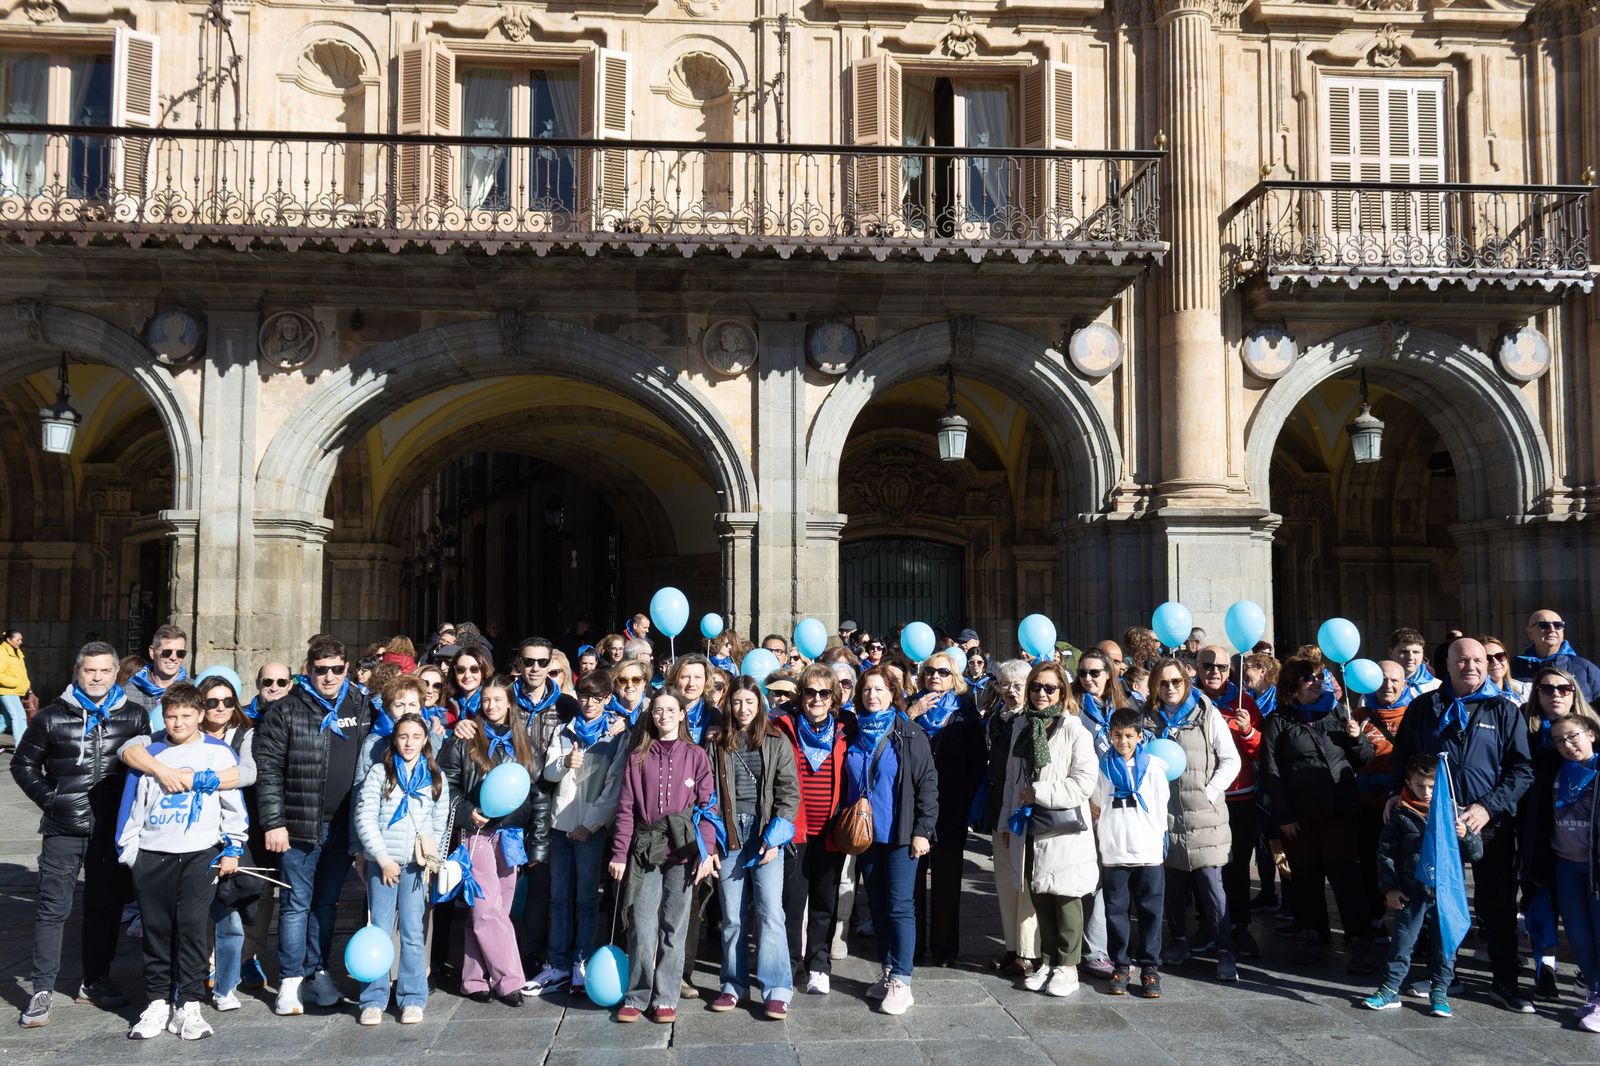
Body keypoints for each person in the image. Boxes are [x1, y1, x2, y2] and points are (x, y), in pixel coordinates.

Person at [1390, 637, 1534, 1012]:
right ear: (1448, 665)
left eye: (1478, 660)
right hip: (1434, 824)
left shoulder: (1504, 710)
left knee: (1498, 904)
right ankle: (1444, 977)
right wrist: (1397, 792)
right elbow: (1402, 757)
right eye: (1463, 660)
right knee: (1438, 902)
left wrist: (1488, 807)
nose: (1471, 666)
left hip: (1489, 823)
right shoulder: (1424, 708)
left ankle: (1505, 981)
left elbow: (1522, 770)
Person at [13, 640, 149, 1027]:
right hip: (63, 827)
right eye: (90, 670)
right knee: (53, 908)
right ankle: (41, 989)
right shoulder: (51, 717)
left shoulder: (135, 717)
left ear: (115, 673)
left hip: (110, 829)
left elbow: (143, 767)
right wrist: (52, 800)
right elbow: (23, 765)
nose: (97, 677)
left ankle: (95, 981)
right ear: (78, 672)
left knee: (104, 909)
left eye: (105, 670)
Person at [115, 682, 247, 1041]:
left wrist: (232, 847)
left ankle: (189, 1002)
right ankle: (157, 1000)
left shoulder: (218, 753)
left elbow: (232, 804)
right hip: (153, 853)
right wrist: (131, 856)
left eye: (186, 715)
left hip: (199, 854)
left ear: (201, 715)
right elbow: (133, 806)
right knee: (157, 930)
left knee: (191, 928)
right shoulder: (151, 752)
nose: (178, 723)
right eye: (172, 716)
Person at [254, 635, 376, 1015]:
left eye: (337, 669)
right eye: (321, 670)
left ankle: (317, 971)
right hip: (299, 825)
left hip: (343, 826)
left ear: (347, 669)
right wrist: (273, 823)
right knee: (295, 904)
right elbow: (269, 770)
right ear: (307, 670)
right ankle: (290, 980)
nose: (329, 677)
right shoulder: (286, 710)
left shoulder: (359, 703)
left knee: (326, 904)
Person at [1260, 657, 1378, 972]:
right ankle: (1313, 933)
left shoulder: (1337, 712)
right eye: (1309, 679)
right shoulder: (1278, 720)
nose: (1317, 682)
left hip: (1340, 811)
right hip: (1301, 816)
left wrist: (1356, 737)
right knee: (1307, 877)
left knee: (1346, 877)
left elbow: (1364, 759)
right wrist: (1284, 815)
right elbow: (1271, 771)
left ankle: (1359, 938)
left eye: (1319, 677)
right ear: (1293, 687)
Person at [608, 687, 718, 1024]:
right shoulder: (638, 757)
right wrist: (619, 854)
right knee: (642, 922)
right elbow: (626, 809)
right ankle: (638, 994)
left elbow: (708, 807)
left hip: (683, 851)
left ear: (682, 715)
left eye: (671, 710)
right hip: (644, 849)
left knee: (675, 924)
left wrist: (706, 850)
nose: (664, 715)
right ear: (651, 716)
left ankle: (666, 995)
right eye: (658, 710)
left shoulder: (697, 755)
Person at [999, 661, 1098, 998]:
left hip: (1062, 828)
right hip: (1028, 824)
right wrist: (1007, 818)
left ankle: (1068, 967)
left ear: (1062, 692)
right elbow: (1014, 780)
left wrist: (1040, 793)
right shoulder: (1022, 726)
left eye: (1050, 688)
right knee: (1039, 894)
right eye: (1036, 687)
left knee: (1066, 898)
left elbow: (1083, 784)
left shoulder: (1075, 730)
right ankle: (1048, 960)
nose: (1042, 693)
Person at [439, 677, 541, 1006]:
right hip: (478, 833)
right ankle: (510, 979)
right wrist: (467, 810)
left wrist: (537, 839)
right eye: (486, 700)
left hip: (511, 836)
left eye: (498, 700)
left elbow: (537, 794)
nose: (491, 706)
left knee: (495, 912)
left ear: (510, 703)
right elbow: (446, 784)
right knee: (484, 910)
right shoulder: (465, 738)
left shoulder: (525, 742)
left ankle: (473, 979)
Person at [1140, 658, 1240, 981]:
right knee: (1172, 886)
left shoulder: (1205, 713)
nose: (1170, 688)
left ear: (1186, 682)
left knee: (1211, 886)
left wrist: (1209, 792)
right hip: (1164, 816)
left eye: (1176, 682)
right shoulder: (1147, 718)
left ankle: (1225, 949)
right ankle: (1178, 942)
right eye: (1164, 683)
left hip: (1204, 817)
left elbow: (1231, 760)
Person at [706, 677, 800, 1018]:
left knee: (770, 913)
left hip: (763, 834)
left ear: (759, 703)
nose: (743, 709)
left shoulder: (776, 739)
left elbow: (789, 792)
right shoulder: (717, 741)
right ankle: (734, 983)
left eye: (749, 701)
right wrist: (711, 838)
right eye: (736, 702)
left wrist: (775, 837)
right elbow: (708, 794)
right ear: (728, 704)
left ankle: (776, 988)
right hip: (730, 833)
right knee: (732, 916)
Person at [1361, 755, 1483, 1018]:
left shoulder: (1455, 813)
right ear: (1409, 783)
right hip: (1411, 891)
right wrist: (1390, 888)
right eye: (1419, 786)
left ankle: (1440, 989)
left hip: (1445, 893)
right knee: (1402, 942)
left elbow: (1476, 854)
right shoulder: (1401, 813)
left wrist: (1467, 836)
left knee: (1445, 945)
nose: (1426, 793)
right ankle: (1390, 988)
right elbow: (1386, 854)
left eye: (1431, 787)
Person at [848, 666, 938, 1016]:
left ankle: (903, 978)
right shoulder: (854, 733)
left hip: (901, 834)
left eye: (880, 690)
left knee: (900, 905)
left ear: (892, 694)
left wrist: (923, 830)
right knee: (878, 904)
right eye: (867, 690)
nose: (873, 695)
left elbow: (928, 785)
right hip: (866, 836)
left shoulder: (909, 734)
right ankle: (887, 971)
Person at [528, 671, 626, 994]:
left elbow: (613, 789)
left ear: (607, 700)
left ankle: (580, 961)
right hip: (560, 825)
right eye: (584, 697)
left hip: (589, 829)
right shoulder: (564, 730)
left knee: (585, 899)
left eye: (596, 698)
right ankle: (556, 963)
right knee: (559, 898)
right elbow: (549, 771)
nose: (589, 703)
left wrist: (591, 824)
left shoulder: (615, 737)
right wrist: (565, 763)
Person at [353, 712, 449, 1026]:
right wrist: (382, 858)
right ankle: (373, 997)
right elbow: (365, 817)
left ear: (425, 742)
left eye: (416, 737)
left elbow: (440, 822)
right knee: (379, 930)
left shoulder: (435, 777)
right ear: (395, 739)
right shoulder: (381, 772)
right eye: (403, 736)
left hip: (415, 868)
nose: (409, 743)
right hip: (384, 866)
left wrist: (432, 860)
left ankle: (412, 996)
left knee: (412, 932)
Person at [773, 663, 851, 995]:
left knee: (824, 902)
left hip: (831, 832)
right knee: (792, 903)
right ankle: (791, 965)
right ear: (800, 695)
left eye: (823, 693)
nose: (816, 699)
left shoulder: (847, 728)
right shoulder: (782, 726)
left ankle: (819, 964)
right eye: (809, 692)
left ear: (833, 698)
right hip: (795, 831)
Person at [1522, 666, 1599, 997]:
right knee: (1544, 903)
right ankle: (1547, 966)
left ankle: (1590, 979)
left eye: (1563, 688)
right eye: (1546, 688)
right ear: (1536, 693)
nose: (1555, 694)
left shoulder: (1591, 737)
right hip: (1544, 836)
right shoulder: (1525, 731)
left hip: (1590, 848)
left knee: (1590, 919)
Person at [905, 650, 986, 966]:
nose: (934, 677)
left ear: (956, 679)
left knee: (947, 881)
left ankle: (944, 949)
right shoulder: (909, 711)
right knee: (911, 882)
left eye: (942, 672)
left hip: (950, 810)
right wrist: (909, 715)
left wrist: (965, 801)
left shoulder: (965, 714)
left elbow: (978, 761)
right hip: (913, 809)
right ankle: (911, 946)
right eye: (929, 672)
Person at [1091, 709, 1172, 998]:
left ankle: (1150, 966)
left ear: (1140, 737)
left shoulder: (1152, 768)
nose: (1122, 741)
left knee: (1150, 910)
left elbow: (1162, 807)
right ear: (1109, 736)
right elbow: (1097, 803)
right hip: (1115, 850)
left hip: (1147, 850)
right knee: (1116, 911)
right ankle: (1121, 964)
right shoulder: (1103, 767)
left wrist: (1156, 841)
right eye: (1117, 735)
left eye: (1128, 736)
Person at [1192, 646, 1264, 959]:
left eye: (1221, 666)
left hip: (1239, 796)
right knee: (1204, 865)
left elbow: (1260, 750)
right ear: (1197, 667)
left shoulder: (1243, 700)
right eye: (1208, 665)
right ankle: (1207, 923)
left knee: (1237, 866)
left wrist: (1248, 730)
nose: (1215, 672)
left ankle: (1239, 926)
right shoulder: (1189, 699)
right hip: (1203, 795)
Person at [981, 659, 1039, 977]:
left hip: (1021, 812)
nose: (1010, 690)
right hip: (997, 808)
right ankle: (1012, 947)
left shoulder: (1033, 722)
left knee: (1025, 883)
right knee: (1005, 881)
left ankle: (1030, 952)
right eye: (1004, 684)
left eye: (1017, 685)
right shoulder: (997, 719)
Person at [1354, 661, 1410, 937]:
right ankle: (1373, 920)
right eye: (1383, 679)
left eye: (1395, 680)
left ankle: (1412, 928)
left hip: (1405, 806)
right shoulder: (1358, 716)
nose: (1388, 685)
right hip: (1367, 806)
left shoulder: (1415, 714)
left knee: (1406, 867)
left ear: (1405, 684)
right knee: (1369, 865)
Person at [1514, 609, 1600, 703]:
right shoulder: (1513, 667)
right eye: (1544, 625)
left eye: (1558, 625)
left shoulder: (1585, 668)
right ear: (1530, 633)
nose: (1552, 629)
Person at [123, 625, 190, 717]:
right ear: (152, 652)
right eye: (167, 652)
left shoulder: (194, 689)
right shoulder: (129, 691)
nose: (174, 658)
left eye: (180, 653)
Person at [668, 655, 722, 744]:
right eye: (685, 677)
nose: (691, 683)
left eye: (697, 677)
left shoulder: (714, 715)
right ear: (675, 680)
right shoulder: (662, 712)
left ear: (706, 681)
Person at [1390, 628, 1442, 704]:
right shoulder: (1378, 684)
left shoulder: (1437, 686)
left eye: (1416, 652)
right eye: (1404, 652)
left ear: (1422, 654)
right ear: (1390, 653)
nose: (1410, 657)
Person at [0, 627, 32, 748]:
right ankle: (22, 747)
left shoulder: (17, 652)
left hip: (14, 690)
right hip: (7, 690)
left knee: (6, 718)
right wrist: (15, 682)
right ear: (8, 639)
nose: (20, 642)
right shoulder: (2, 652)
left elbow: (21, 672)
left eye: (21, 639)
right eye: (18, 639)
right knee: (19, 716)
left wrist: (27, 684)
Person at [446, 646, 495, 725]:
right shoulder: (446, 703)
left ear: (484, 671)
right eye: (460, 670)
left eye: (474, 669)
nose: (467, 675)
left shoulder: (493, 704)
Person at [1482, 636, 1530, 706]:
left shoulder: (1528, 690)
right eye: (1488, 658)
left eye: (1500, 656)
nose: (1495, 662)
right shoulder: (1471, 698)